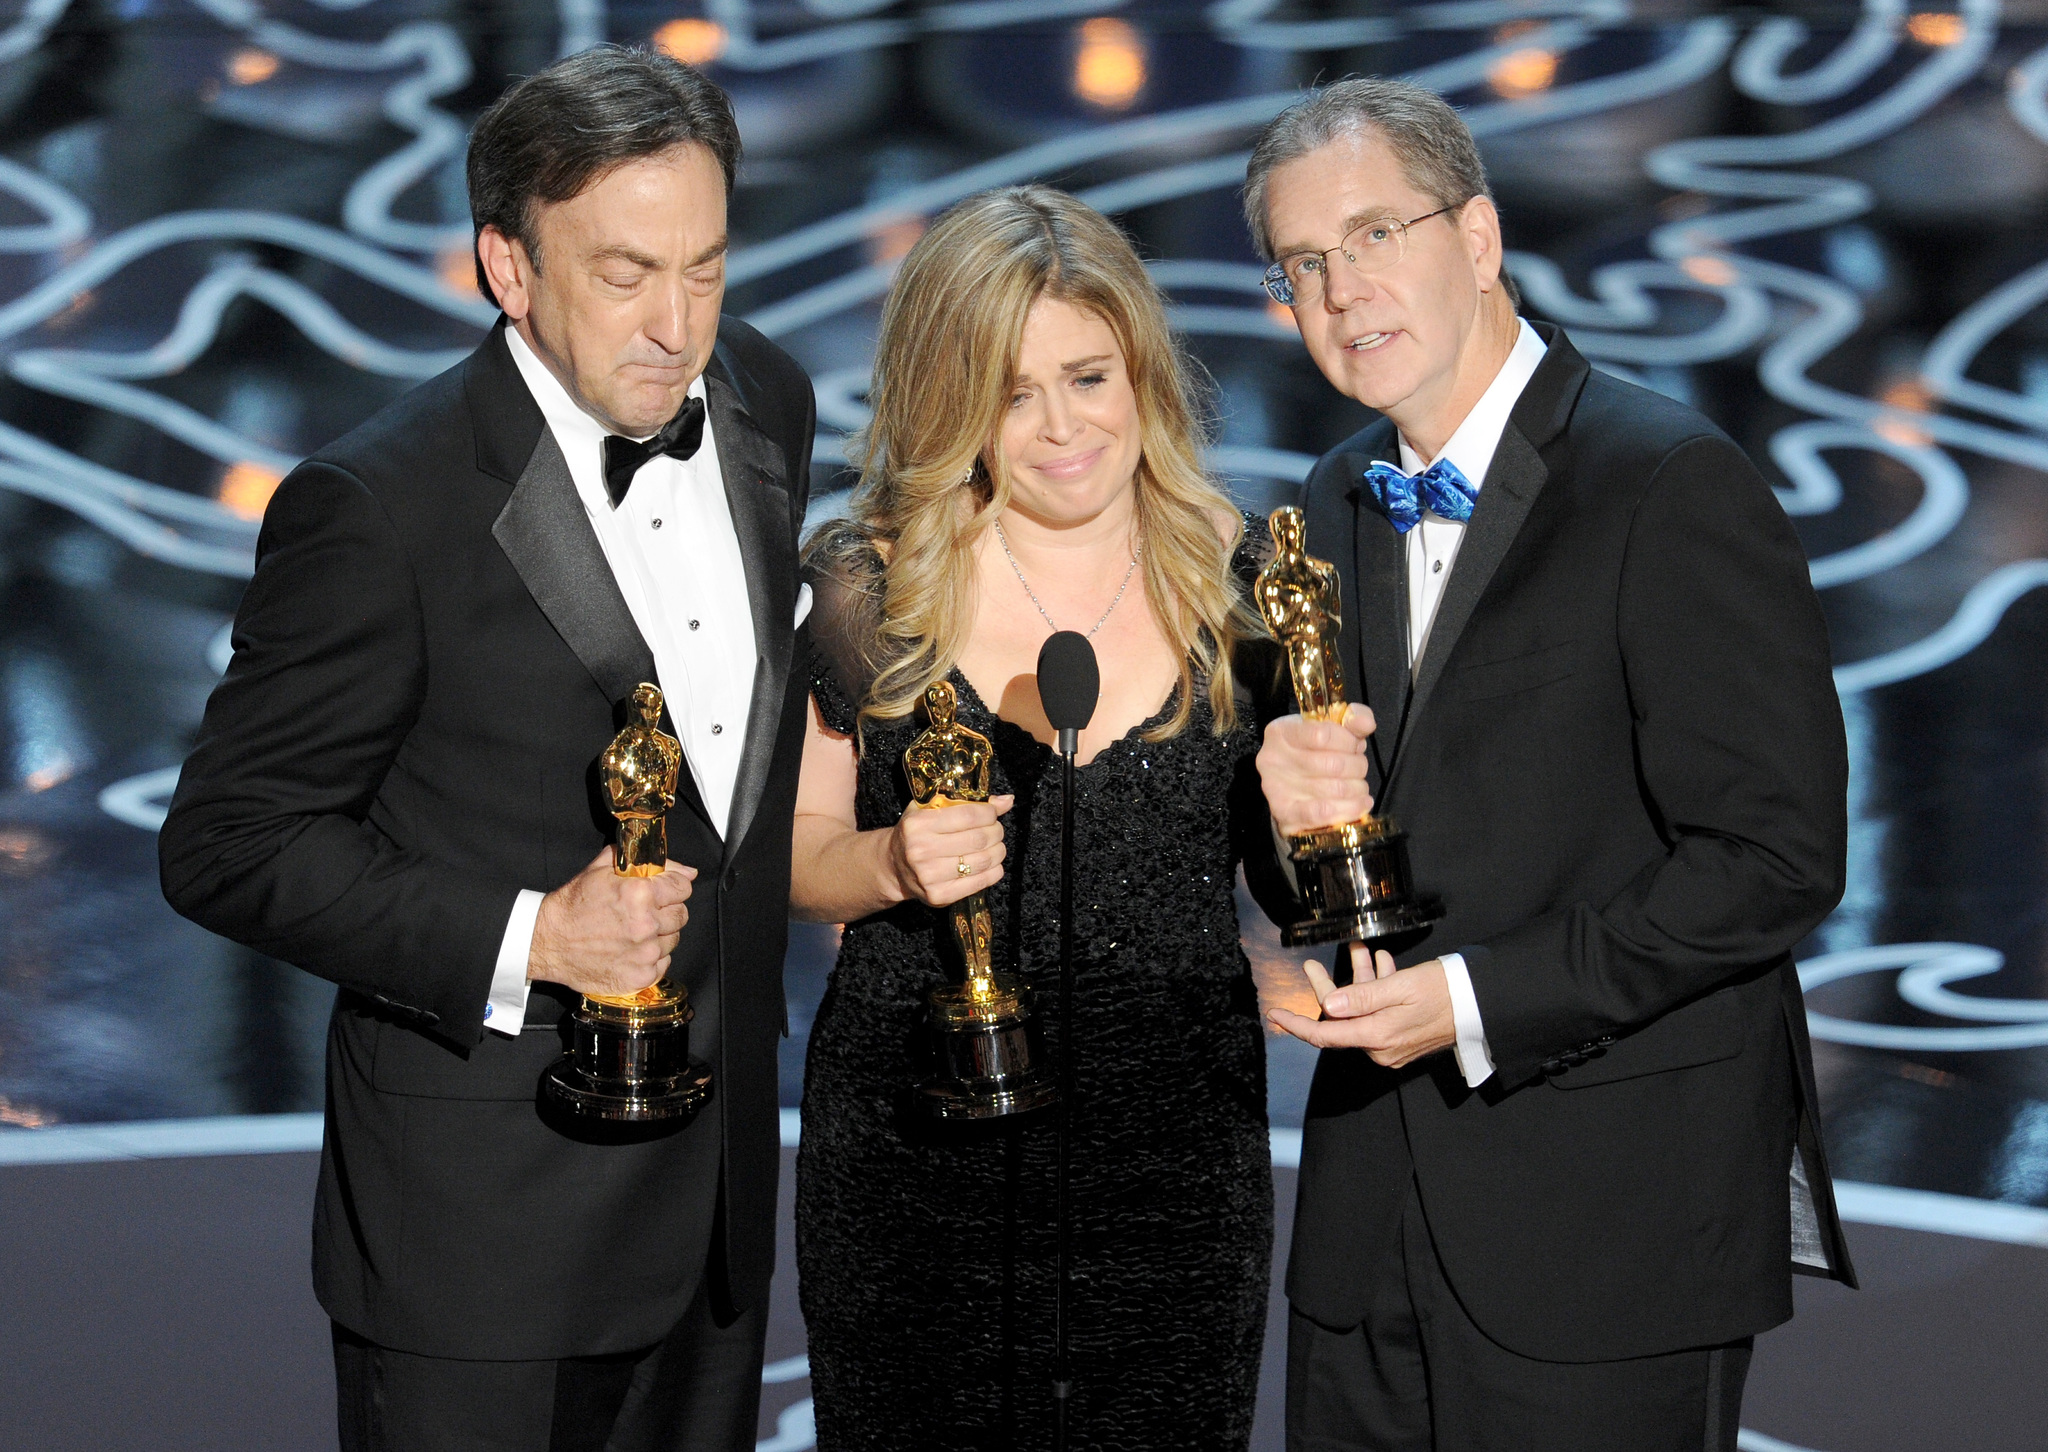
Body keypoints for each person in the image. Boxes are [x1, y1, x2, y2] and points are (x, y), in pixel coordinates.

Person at [158, 47, 815, 1452]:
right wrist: (535, 938)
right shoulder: (375, 508)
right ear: (507, 268)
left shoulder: (767, 400)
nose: (676, 325)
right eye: (626, 274)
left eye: (704, 268)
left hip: (714, 1224)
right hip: (483, 1252)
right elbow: (229, 842)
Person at [1242, 78, 1858, 1451]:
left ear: (1478, 237)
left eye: (1376, 235)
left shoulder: (1667, 482)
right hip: (1363, 1232)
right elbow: (1333, 855)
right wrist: (1281, 819)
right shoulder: (1325, 507)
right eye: (1303, 264)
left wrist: (1469, 1000)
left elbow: (1774, 860)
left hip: (1609, 1238)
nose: (1343, 292)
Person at [788, 185, 1292, 1451]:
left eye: (1088, 376)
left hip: (1171, 1160)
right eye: (1013, 393)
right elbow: (796, 860)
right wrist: (894, 860)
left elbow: (1292, 886)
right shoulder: (864, 585)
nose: (1063, 427)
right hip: (916, 1144)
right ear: (948, 399)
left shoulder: (1247, 587)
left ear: (1143, 373)